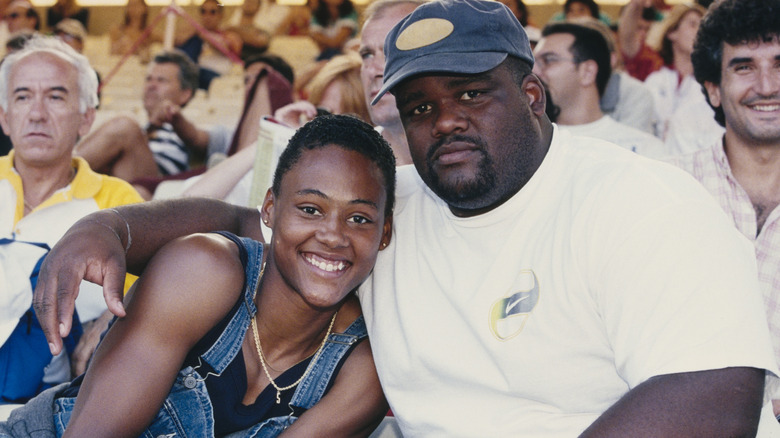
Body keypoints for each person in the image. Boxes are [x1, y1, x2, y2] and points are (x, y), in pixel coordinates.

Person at [33, 0, 780, 436]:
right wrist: (112, 230)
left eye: (472, 95)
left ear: (531, 96)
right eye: (421, 106)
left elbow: (717, 393)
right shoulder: (391, 207)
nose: (445, 122)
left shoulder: (640, 199)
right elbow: (245, 217)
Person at [1, 114, 394, 436]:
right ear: (270, 209)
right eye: (310, 209)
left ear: (385, 233)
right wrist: (105, 227)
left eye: (359, 218)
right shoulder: (204, 272)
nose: (332, 235)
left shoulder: (361, 370)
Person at [0, 35, 143, 402]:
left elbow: (156, 292)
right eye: (22, 96)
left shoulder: (119, 203)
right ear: (4, 117)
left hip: (59, 402)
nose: (36, 113)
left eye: (55, 96)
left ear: (86, 118)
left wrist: (113, 323)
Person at [667, 0, 780, 417]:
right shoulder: (666, 190)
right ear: (713, 88)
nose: (767, 86)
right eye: (745, 66)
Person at [533, 22, 664, 157]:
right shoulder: (528, 146)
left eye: (548, 60)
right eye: (533, 62)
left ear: (587, 72)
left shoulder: (640, 148)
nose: (534, 71)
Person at [73, 50, 202, 184]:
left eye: (161, 80)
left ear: (185, 94)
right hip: (124, 190)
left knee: (124, 127)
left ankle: (55, 175)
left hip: (157, 191)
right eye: (148, 79)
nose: (151, 85)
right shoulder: (141, 131)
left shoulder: (188, 134)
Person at [643, 3, 724, 152]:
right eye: (693, 24)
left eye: (702, 27)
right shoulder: (654, 81)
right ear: (672, 32)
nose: (699, 32)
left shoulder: (710, 86)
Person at [617, 0, 663, 81]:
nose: (643, 34)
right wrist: (636, 4)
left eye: (647, 29)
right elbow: (628, 36)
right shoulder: (622, 47)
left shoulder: (653, 54)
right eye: (639, 27)